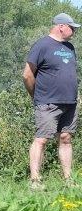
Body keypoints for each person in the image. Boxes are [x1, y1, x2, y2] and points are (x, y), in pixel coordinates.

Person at [23, 13, 80, 190]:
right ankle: (35, 180)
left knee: (66, 139)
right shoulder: (42, 45)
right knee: (41, 140)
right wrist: (36, 96)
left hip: (70, 102)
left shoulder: (70, 47)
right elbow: (27, 75)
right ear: (61, 26)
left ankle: (69, 180)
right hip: (47, 102)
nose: (74, 31)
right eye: (72, 27)